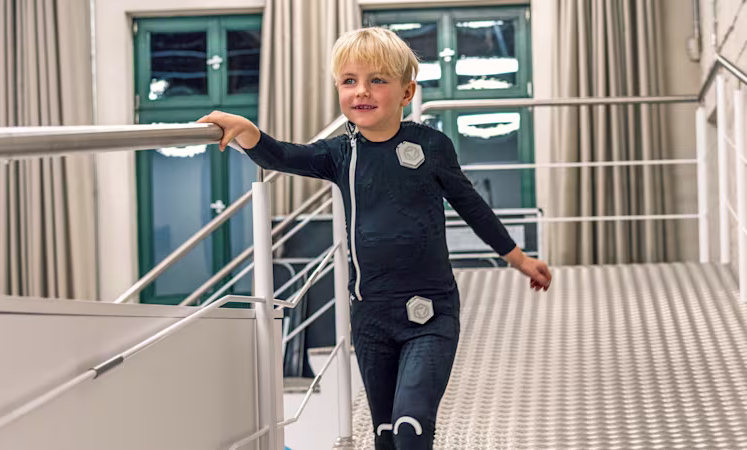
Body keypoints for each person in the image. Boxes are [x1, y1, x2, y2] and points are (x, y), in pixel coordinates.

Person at [199, 27, 552, 450]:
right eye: (349, 81)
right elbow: (281, 155)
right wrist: (244, 128)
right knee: (384, 435)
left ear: (407, 93)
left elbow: (470, 204)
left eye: (377, 80)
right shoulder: (339, 154)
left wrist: (518, 258)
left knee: (411, 425)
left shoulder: (432, 146)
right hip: (370, 319)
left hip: (431, 315)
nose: (361, 91)